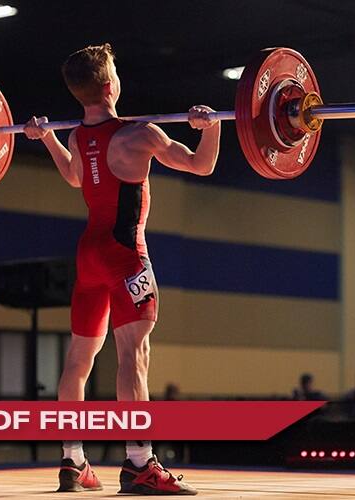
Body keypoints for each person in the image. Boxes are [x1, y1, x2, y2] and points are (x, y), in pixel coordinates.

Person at [25, 43, 218, 495]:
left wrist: (47, 137)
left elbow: (76, 176)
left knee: (78, 360)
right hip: (125, 254)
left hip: (88, 254)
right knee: (133, 355)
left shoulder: (77, 137)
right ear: (112, 85)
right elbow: (202, 164)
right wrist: (211, 127)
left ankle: (72, 460)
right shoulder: (140, 135)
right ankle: (139, 463)